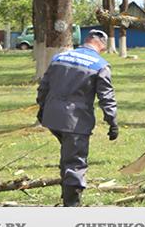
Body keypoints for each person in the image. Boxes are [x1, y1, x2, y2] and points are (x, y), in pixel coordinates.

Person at [36, 29, 117, 207]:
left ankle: (67, 194)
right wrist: (112, 122)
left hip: (52, 118)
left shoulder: (60, 57)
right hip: (75, 121)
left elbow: (44, 87)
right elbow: (106, 97)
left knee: (67, 156)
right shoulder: (100, 65)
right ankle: (72, 207)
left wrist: (42, 108)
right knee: (75, 162)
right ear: (101, 45)